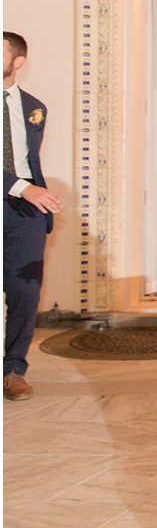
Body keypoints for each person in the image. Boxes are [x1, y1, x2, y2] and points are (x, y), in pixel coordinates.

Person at [4, 32, 61, 402]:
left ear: (17, 61)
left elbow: (29, 160)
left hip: (24, 209)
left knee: (25, 291)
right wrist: (21, 186)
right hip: (21, 191)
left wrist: (33, 195)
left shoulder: (33, 107)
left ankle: (13, 371)